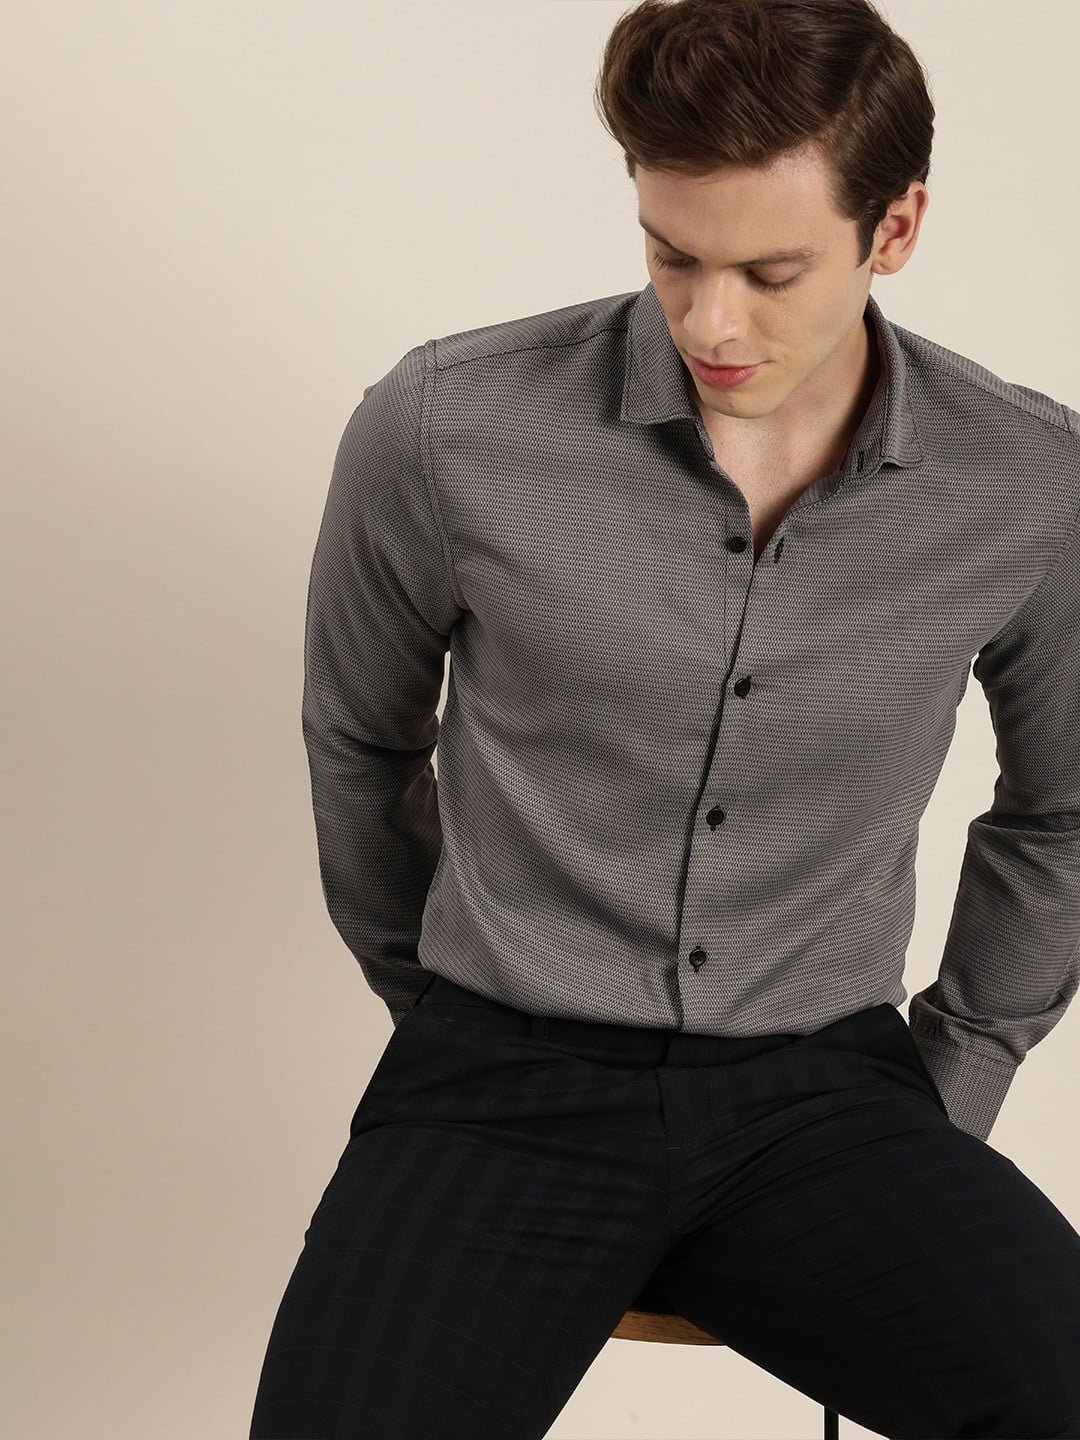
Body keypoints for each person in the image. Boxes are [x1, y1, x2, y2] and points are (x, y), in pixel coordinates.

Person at [250, 1, 1080, 1435]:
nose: (711, 321)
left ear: (894, 228)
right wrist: (438, 1003)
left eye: (771, 271)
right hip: (501, 1081)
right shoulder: (447, 427)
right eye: (672, 255)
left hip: (827, 1099)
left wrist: (955, 1073)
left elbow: (1061, 810)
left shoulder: (1027, 482)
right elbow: (363, 745)